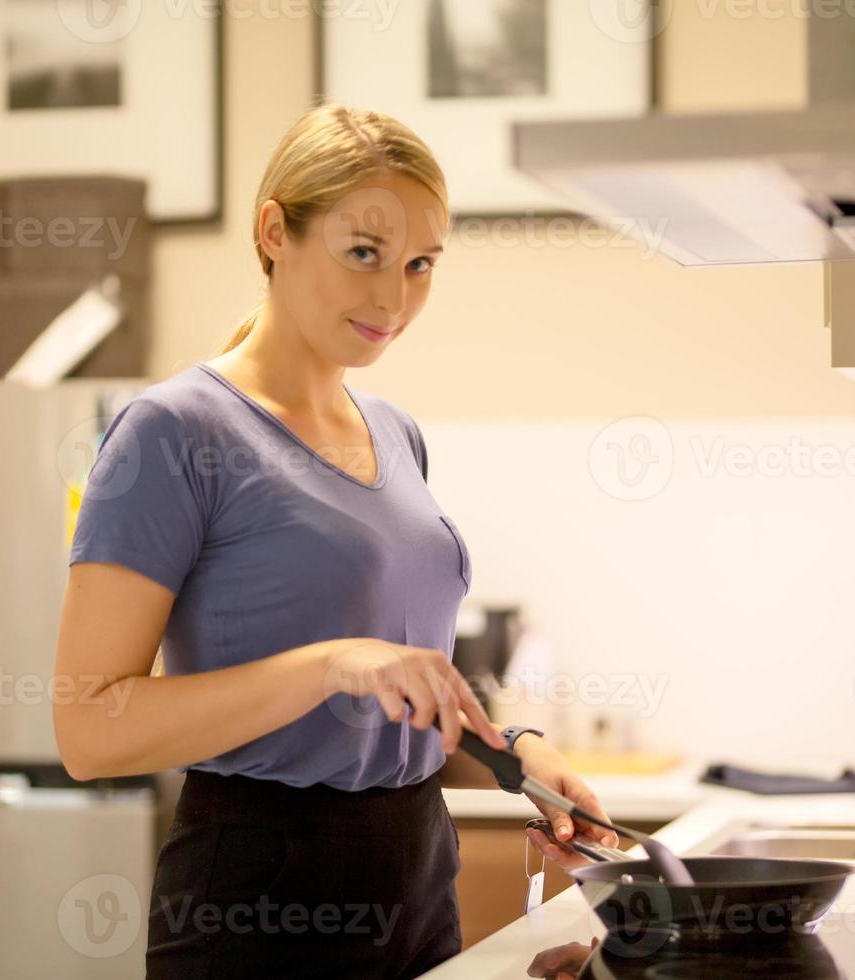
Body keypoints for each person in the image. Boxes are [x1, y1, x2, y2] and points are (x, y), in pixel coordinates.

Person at [52, 103, 619, 979]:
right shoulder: (172, 432)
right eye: (365, 254)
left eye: (420, 265)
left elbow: (398, 687)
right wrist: (330, 665)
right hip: (258, 897)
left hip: (417, 875)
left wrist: (515, 757)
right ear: (275, 230)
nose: (394, 297)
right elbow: (87, 728)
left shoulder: (395, 432)